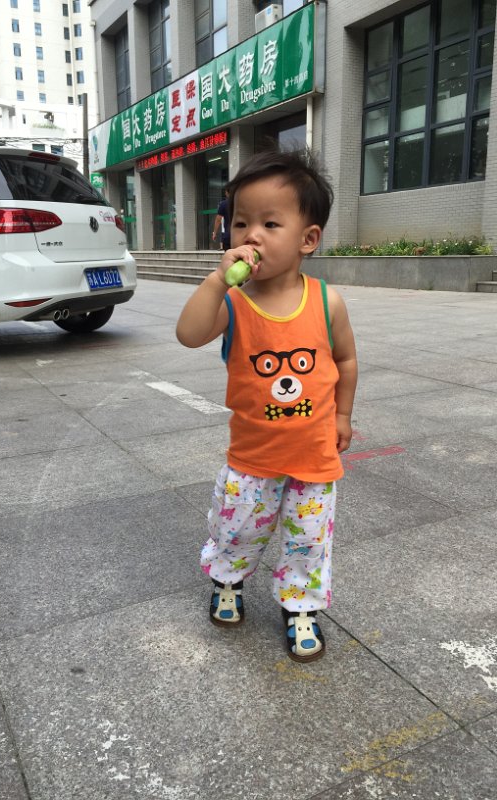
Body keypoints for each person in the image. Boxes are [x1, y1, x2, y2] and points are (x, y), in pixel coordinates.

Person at [176, 149, 357, 663]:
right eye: (241, 223)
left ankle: (301, 607)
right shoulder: (234, 303)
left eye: (270, 224)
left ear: (308, 239)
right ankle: (227, 581)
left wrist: (343, 415)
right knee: (237, 529)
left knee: (309, 541)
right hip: (252, 458)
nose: (251, 236)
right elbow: (189, 334)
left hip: (314, 458)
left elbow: (345, 361)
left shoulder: (326, 301)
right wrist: (217, 281)